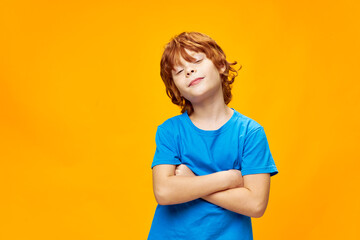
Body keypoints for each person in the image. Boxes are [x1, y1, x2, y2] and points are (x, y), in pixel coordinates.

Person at [148, 31, 279, 240]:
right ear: (176, 90)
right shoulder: (170, 130)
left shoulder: (250, 133)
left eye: (197, 61)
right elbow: (164, 192)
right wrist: (228, 178)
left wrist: (192, 183)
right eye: (179, 71)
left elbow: (255, 204)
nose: (189, 71)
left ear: (221, 65)